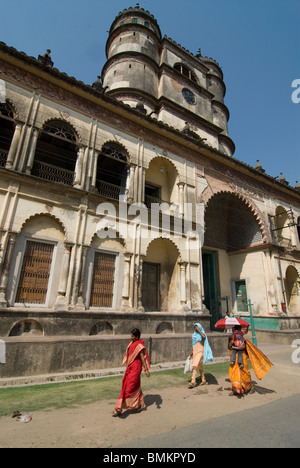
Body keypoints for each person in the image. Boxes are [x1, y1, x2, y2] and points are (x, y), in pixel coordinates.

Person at [112, 328, 150, 417]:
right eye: (131, 335)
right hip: (130, 367)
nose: (131, 337)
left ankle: (119, 408)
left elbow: (142, 358)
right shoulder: (132, 343)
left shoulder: (139, 345)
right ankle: (143, 405)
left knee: (129, 388)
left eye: (132, 336)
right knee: (130, 385)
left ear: (137, 337)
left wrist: (146, 370)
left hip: (136, 368)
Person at [228, 330, 273, 396]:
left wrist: (236, 347)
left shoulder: (242, 339)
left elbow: (243, 347)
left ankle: (249, 387)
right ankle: (235, 389)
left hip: (242, 358)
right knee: (234, 374)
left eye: (237, 330)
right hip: (233, 359)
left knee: (245, 372)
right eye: (234, 330)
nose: (236, 333)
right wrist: (231, 343)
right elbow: (229, 347)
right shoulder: (231, 338)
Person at [188, 323, 213, 388]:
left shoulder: (201, 335)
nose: (195, 328)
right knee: (200, 367)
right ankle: (203, 379)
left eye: (197, 327)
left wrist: (199, 330)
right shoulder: (194, 335)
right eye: (195, 327)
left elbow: (204, 337)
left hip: (200, 351)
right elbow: (194, 344)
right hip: (195, 351)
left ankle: (193, 381)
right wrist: (192, 352)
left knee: (195, 365)